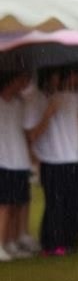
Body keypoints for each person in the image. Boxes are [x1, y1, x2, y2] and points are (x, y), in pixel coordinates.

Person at [23, 65, 78, 256]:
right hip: (52, 160)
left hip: (72, 157)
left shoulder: (69, 97)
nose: (58, 82)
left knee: (73, 202)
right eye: (54, 78)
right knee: (55, 204)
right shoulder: (36, 99)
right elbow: (32, 134)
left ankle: (70, 240)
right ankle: (51, 243)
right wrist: (48, 114)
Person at [0, 68, 33, 260]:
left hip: (18, 160)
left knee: (15, 204)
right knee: (3, 204)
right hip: (3, 159)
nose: (24, 84)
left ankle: (10, 241)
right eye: (21, 80)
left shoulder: (20, 103)